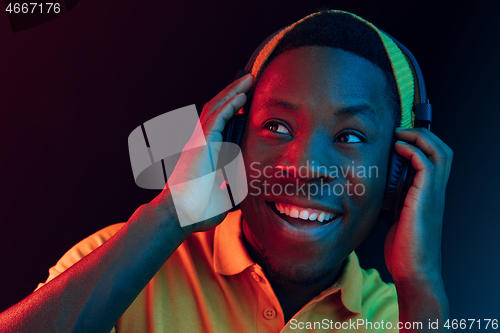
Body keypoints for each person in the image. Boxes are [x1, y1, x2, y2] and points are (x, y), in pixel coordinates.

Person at [0, 9, 453, 332]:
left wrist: (421, 282)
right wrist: (171, 212)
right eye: (276, 126)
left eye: (350, 137)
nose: (304, 170)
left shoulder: (407, 317)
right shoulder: (118, 265)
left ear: (399, 171)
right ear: (232, 140)